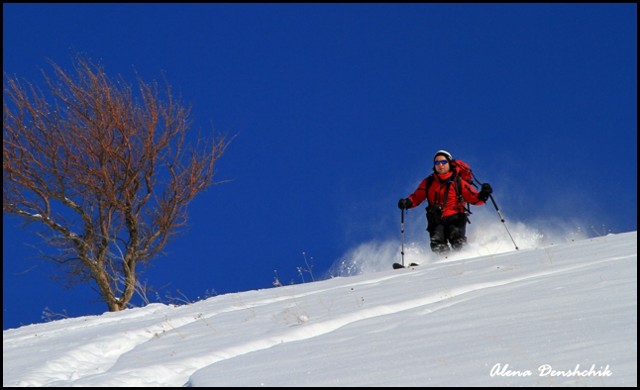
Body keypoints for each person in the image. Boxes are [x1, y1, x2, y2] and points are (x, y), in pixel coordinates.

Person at [397, 150, 493, 255]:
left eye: (443, 162)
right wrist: (407, 202)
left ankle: (464, 258)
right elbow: (416, 197)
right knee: (437, 244)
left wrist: (484, 194)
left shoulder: (458, 182)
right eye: (437, 163)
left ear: (449, 163)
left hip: (455, 217)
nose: (440, 165)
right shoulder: (429, 182)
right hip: (436, 219)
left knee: (457, 239)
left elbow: (474, 198)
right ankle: (444, 263)